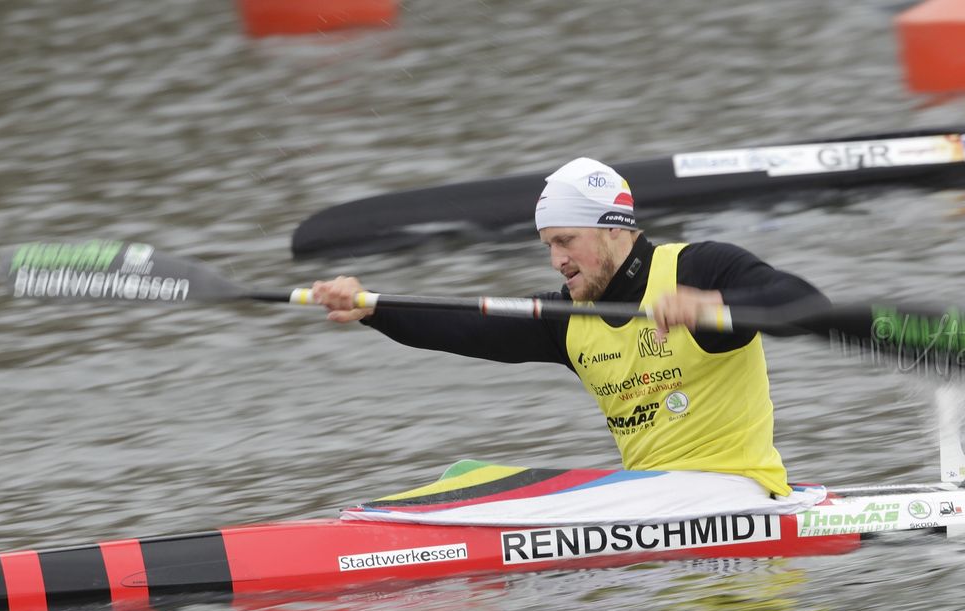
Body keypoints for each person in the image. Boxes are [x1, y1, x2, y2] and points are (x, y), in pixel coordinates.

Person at [312, 157, 829, 498]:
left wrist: (714, 306)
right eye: (549, 247)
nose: (557, 260)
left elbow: (804, 303)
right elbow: (464, 325)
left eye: (565, 241)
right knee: (469, 478)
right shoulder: (568, 320)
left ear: (611, 231)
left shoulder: (699, 268)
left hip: (736, 491)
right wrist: (372, 308)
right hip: (651, 500)